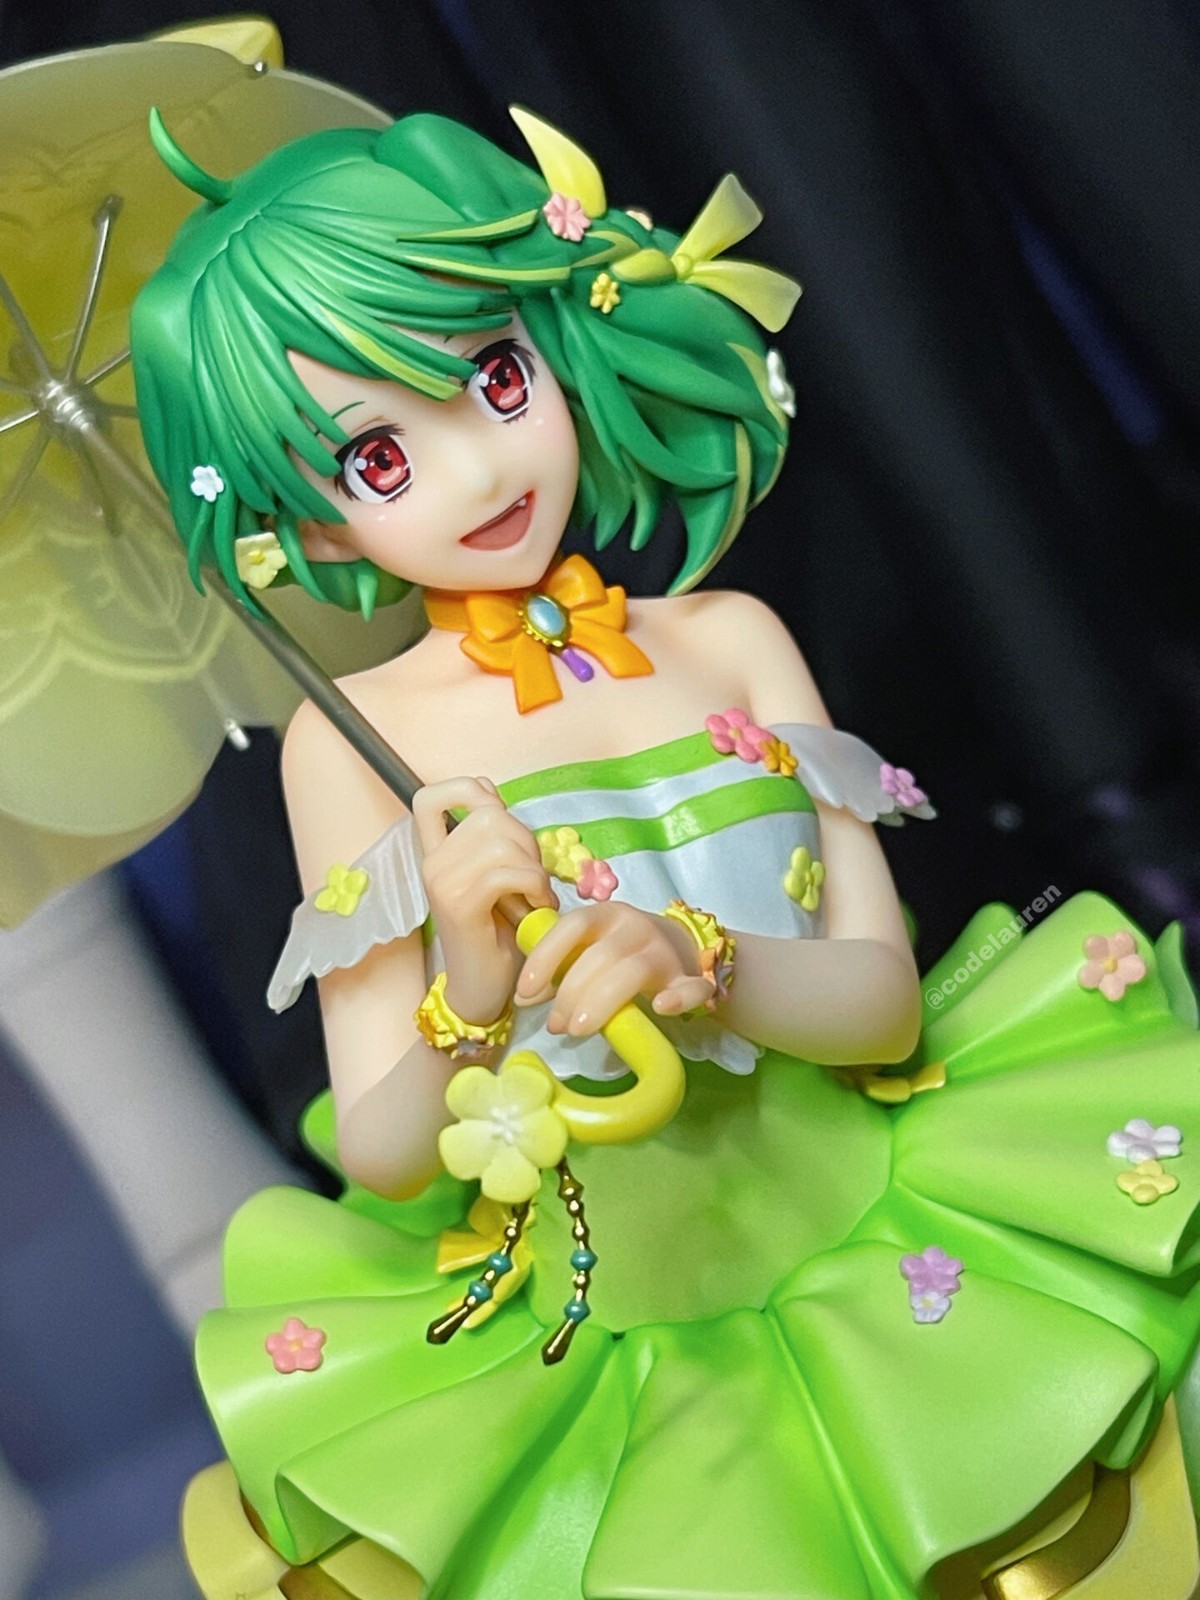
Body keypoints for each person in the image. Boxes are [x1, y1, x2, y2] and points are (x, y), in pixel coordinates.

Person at [132, 105, 1200, 1600]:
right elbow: (381, 1151)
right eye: (376, 458)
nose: (474, 470)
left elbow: (882, 1004)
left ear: (560, 335)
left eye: (496, 378)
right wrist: (471, 986)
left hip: (885, 1229)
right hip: (613, 1329)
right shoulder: (347, 747)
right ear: (300, 518)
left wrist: (702, 962)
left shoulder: (732, 638)